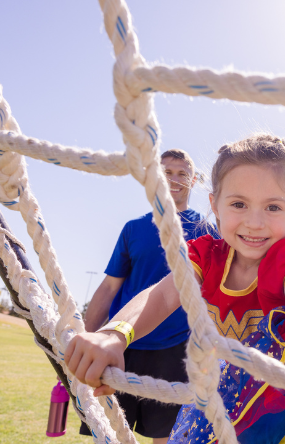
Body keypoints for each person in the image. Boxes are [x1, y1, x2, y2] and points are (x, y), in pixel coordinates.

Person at [66, 134, 285, 444]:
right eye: (239, 204)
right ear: (215, 206)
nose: (255, 222)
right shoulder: (205, 255)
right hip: (233, 393)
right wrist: (115, 333)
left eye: (273, 207)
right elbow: (163, 294)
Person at [80, 149, 218, 443]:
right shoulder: (134, 229)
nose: (175, 179)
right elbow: (108, 288)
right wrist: (88, 337)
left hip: (177, 351)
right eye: (167, 172)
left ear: (193, 180)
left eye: (183, 173)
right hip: (123, 346)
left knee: (167, 438)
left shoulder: (208, 231)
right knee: (109, 432)